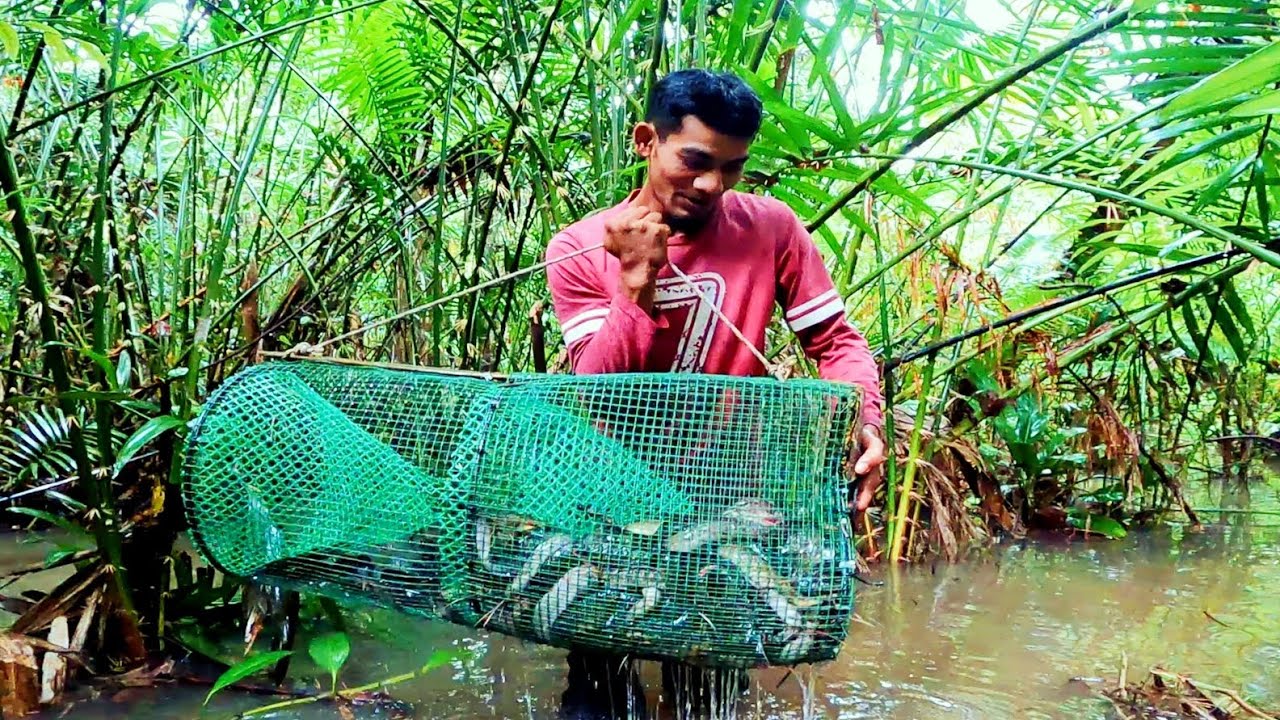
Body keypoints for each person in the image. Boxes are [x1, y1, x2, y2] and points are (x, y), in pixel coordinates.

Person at [543, 68, 887, 719]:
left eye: (731, 168)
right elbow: (596, 390)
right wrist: (636, 283)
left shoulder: (772, 230)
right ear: (647, 140)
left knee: (709, 697)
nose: (711, 186)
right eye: (694, 162)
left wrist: (866, 419)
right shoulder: (581, 248)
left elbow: (835, 343)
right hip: (606, 505)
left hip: (727, 500)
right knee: (599, 699)